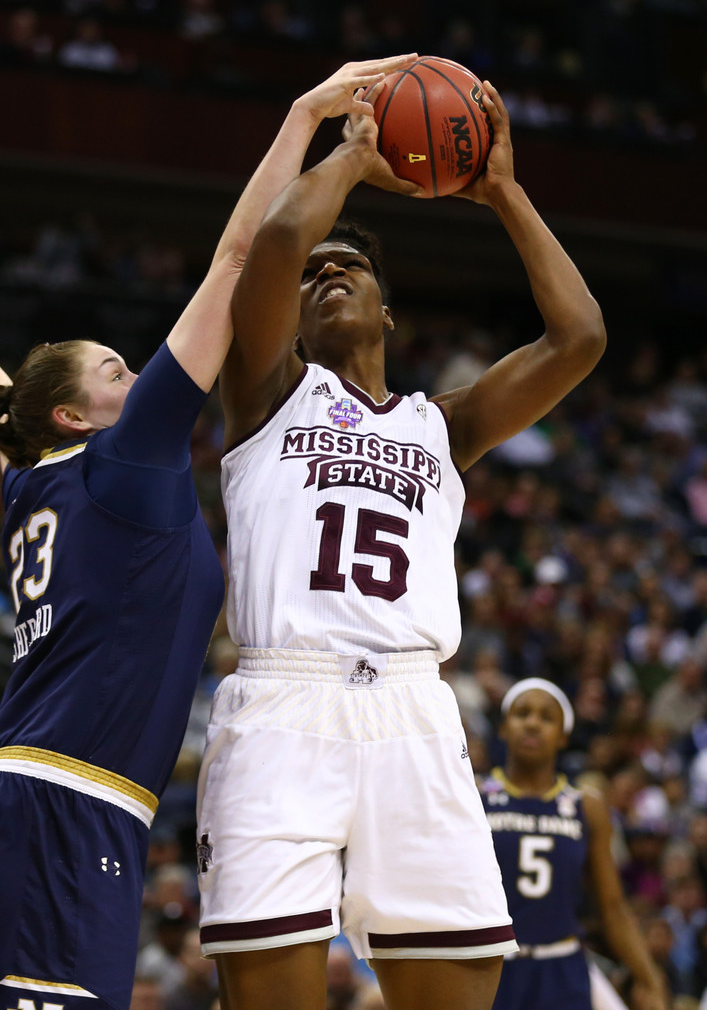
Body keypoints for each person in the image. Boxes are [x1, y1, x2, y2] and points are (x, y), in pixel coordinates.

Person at [0, 53, 421, 1010]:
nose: (133, 374)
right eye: (114, 369)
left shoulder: (37, 477)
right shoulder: (125, 460)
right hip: (59, 801)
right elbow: (236, 261)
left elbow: (0, 410)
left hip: (38, 797)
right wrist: (306, 115)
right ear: (78, 417)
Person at [196, 81, 607, 1009]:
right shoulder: (265, 392)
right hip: (282, 704)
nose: (326, 274)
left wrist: (500, 190)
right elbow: (273, 243)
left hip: (415, 713)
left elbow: (578, 336)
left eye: (351, 268)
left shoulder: (442, 425)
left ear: (388, 314)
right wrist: (353, 157)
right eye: (315, 276)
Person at [483, 678, 667, 1010]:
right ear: (503, 728)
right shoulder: (475, 796)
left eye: (546, 717)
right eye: (522, 713)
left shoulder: (587, 806)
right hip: (489, 967)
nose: (533, 723)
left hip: (561, 968)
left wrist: (648, 976)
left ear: (563, 736)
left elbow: (612, 907)